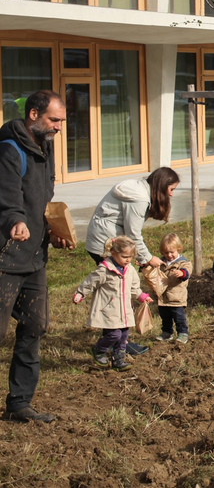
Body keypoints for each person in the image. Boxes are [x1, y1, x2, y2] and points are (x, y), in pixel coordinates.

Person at [0, 90, 69, 422]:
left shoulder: (46, 146)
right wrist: (15, 220)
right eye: (53, 120)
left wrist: (53, 230)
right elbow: (7, 196)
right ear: (32, 115)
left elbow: (44, 197)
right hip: (5, 256)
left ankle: (19, 404)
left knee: (35, 326)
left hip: (34, 258)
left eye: (61, 121)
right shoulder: (9, 149)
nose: (58, 127)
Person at [85, 166, 178, 355]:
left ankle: (117, 340)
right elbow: (133, 234)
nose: (172, 195)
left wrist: (131, 256)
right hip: (106, 244)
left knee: (118, 293)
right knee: (117, 294)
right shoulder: (139, 198)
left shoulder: (141, 190)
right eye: (171, 189)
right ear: (162, 186)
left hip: (107, 242)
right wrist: (147, 258)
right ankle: (116, 342)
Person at [73, 236, 151, 371]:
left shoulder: (130, 270)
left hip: (124, 310)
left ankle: (118, 359)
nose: (128, 260)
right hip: (109, 309)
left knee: (124, 335)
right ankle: (99, 349)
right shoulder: (105, 269)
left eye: (130, 257)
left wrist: (141, 296)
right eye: (124, 256)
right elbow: (91, 281)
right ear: (113, 253)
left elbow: (134, 288)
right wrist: (80, 293)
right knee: (114, 334)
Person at [154, 233, 191, 343]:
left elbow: (187, 272)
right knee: (165, 318)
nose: (169, 255)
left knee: (179, 318)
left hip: (176, 298)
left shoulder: (184, 263)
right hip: (163, 297)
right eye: (166, 253)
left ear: (178, 249)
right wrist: (143, 265)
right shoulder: (161, 262)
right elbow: (151, 270)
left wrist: (181, 273)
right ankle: (167, 333)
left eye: (172, 252)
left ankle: (183, 333)